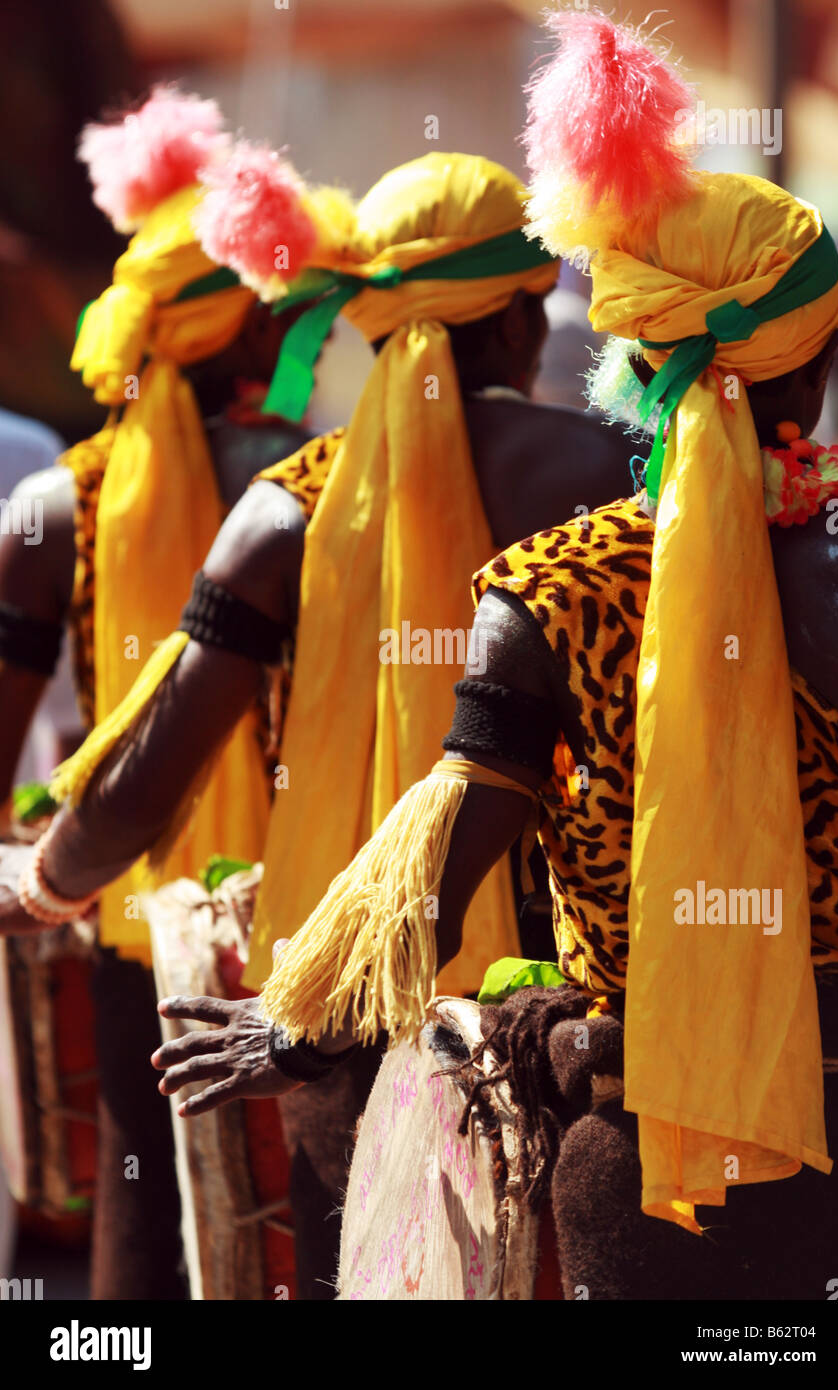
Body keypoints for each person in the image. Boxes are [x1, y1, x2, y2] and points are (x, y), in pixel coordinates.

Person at [148, 14, 838, 1300]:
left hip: (655, 1178)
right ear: (811, 374)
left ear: (633, 357)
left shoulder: (547, 590)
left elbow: (447, 839)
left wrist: (291, 1015)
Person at [0, 149, 638, 1295]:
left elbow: (158, 759)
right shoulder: (617, 484)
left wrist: (49, 879)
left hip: (335, 1017)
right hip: (566, 1024)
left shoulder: (281, 514)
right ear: (513, 324)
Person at [0, 86, 327, 1299]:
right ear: (233, 336)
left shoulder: (50, 508)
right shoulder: (322, 497)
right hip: (302, 944)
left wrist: (41, 873)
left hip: (119, 922)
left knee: (137, 1248)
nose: (291, 342)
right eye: (272, 320)